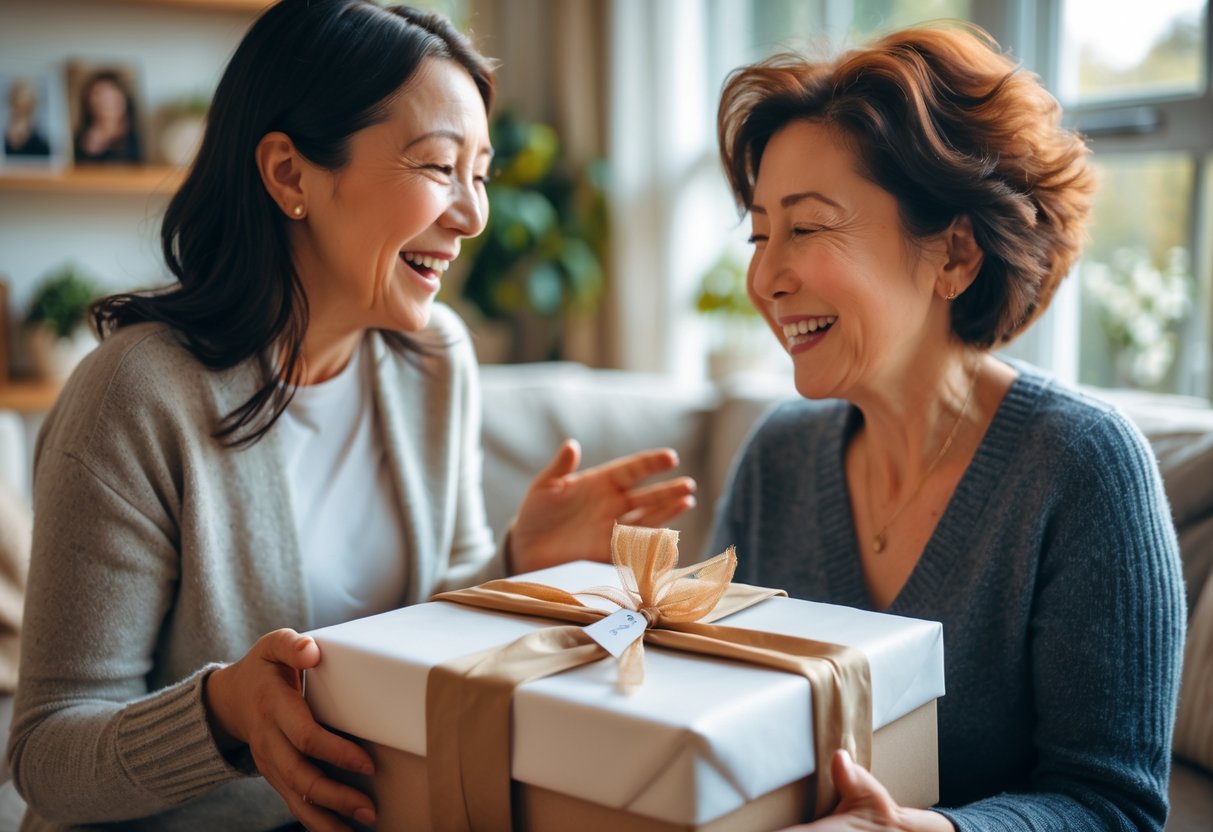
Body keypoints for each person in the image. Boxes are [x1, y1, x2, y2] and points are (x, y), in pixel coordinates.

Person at [7, 1, 695, 830]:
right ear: (289, 174)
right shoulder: (136, 394)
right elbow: (48, 756)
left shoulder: (435, 356)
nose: (471, 215)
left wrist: (515, 560)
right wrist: (224, 713)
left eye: (480, 174)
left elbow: (423, 631)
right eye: (439, 167)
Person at [709, 23, 1186, 832]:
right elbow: (715, 714)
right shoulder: (777, 457)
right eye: (759, 234)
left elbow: (1113, 807)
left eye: (808, 226)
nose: (764, 277)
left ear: (955, 255)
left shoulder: (1083, 468)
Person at [72, 69, 140, 164]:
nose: (106, 103)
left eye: (111, 97)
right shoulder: (75, 139)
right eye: (98, 95)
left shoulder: (138, 138)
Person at [4, 79, 51, 158]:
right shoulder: (3, 139)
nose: (21, 112)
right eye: (18, 107)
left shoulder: (41, 142)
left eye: (26, 108)